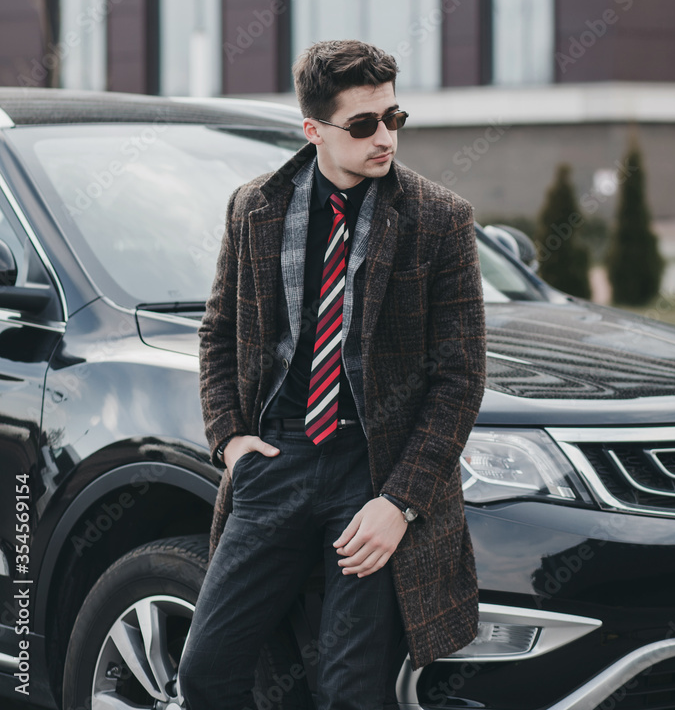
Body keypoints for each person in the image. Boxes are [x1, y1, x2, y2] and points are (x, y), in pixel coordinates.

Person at [178, 39, 487, 710]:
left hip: (370, 470)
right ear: (313, 130)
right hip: (275, 461)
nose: (385, 138)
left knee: (352, 693)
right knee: (206, 672)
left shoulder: (438, 220)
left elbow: (459, 378)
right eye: (363, 124)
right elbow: (218, 334)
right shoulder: (254, 208)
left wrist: (399, 502)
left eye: (393, 118)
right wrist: (230, 440)